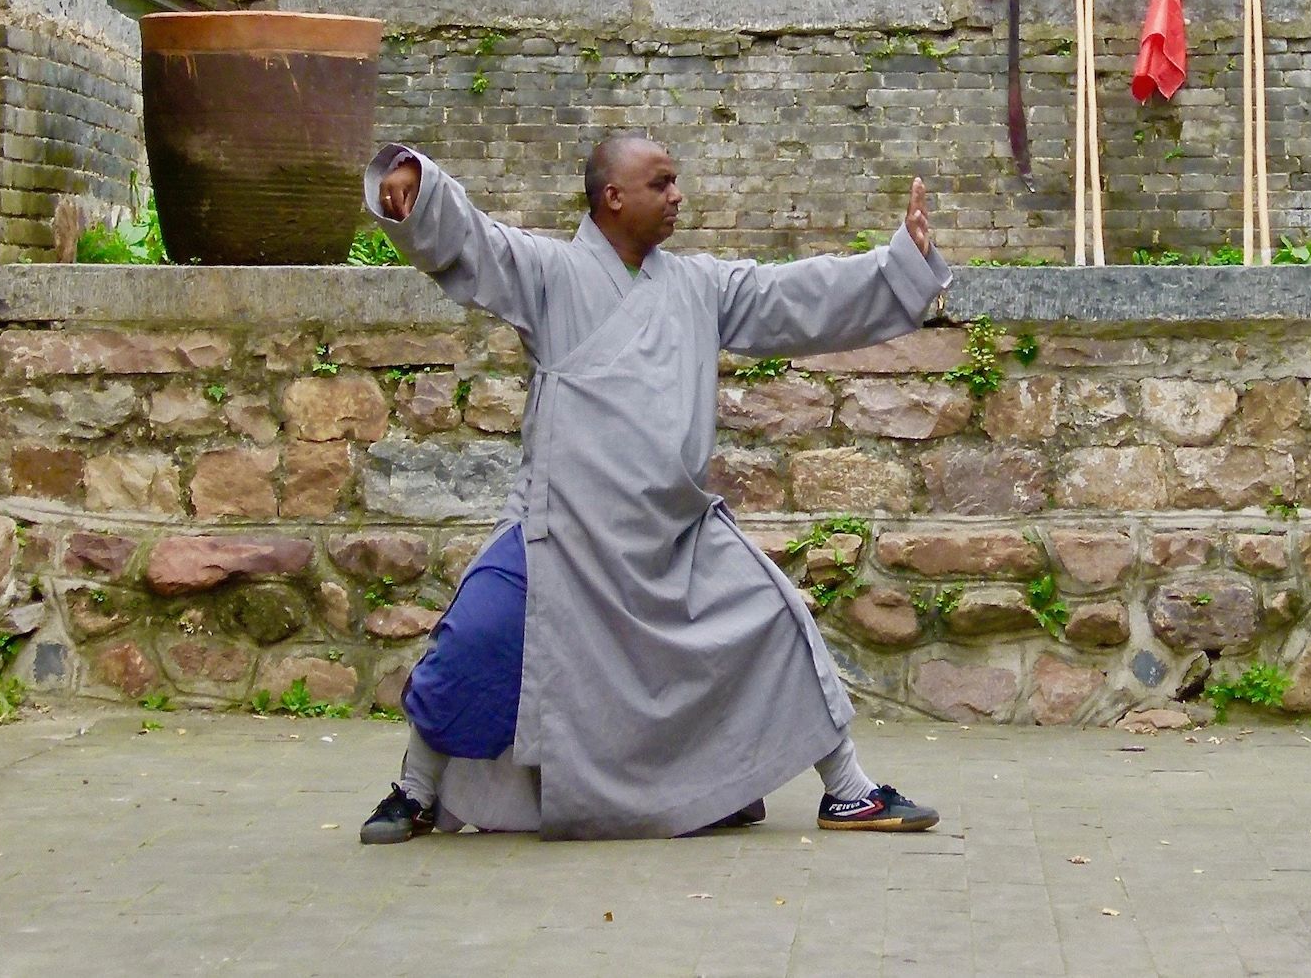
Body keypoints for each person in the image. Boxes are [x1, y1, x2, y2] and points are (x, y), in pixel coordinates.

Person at [358, 132, 948, 844]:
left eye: (675, 182)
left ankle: (849, 791)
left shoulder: (700, 287)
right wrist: (419, 185)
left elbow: (794, 295)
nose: (678, 196)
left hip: (676, 532)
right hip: (562, 530)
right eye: (661, 183)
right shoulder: (549, 274)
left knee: (776, 614)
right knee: (478, 636)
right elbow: (475, 242)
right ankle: (416, 790)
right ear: (613, 197)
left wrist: (899, 265)